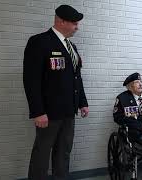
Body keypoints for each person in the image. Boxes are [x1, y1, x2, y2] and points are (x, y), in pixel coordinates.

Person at [23, 5, 89, 180]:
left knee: (64, 152)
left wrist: (82, 102)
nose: (77, 27)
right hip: (49, 113)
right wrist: (38, 112)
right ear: (61, 21)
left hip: (69, 110)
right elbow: (31, 80)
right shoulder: (40, 42)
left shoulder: (71, 47)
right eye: (74, 23)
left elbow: (76, 77)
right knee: (42, 153)